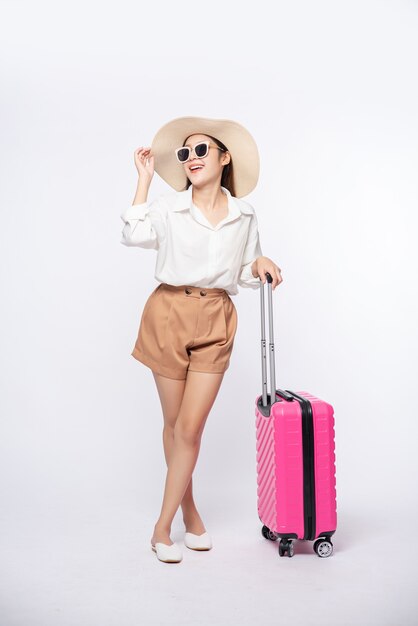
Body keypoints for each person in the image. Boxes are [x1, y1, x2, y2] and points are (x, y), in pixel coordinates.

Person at [120, 116, 283, 563]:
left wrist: (261, 262)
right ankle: (189, 513)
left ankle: (160, 527)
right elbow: (133, 235)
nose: (191, 158)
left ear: (224, 157)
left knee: (190, 429)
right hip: (168, 312)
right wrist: (144, 181)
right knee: (175, 427)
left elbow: (247, 269)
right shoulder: (169, 208)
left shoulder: (244, 214)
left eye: (200, 151)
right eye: (185, 153)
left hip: (215, 317)